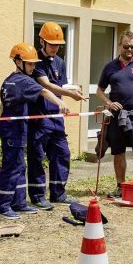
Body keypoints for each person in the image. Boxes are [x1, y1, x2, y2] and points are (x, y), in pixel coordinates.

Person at [0, 43, 70, 219]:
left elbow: (2, 107)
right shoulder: (23, 81)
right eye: (30, 63)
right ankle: (1, 207)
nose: (33, 67)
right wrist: (60, 103)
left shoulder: (10, 80)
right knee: (12, 167)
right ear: (18, 61)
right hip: (13, 130)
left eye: (34, 63)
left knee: (20, 166)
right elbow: (44, 90)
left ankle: (19, 202)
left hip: (14, 129)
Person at [27, 22, 86, 210]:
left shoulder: (60, 61)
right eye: (52, 44)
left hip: (56, 118)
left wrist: (72, 90)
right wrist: (69, 95)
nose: (56, 48)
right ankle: (37, 196)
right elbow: (47, 86)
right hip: (40, 117)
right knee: (37, 156)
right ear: (42, 41)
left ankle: (58, 194)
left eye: (58, 44)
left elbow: (62, 86)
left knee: (62, 154)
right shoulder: (34, 61)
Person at [97, 31, 133, 198]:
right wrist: (108, 103)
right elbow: (99, 91)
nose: (130, 50)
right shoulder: (110, 67)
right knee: (118, 152)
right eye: (126, 47)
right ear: (119, 46)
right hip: (117, 117)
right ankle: (120, 187)